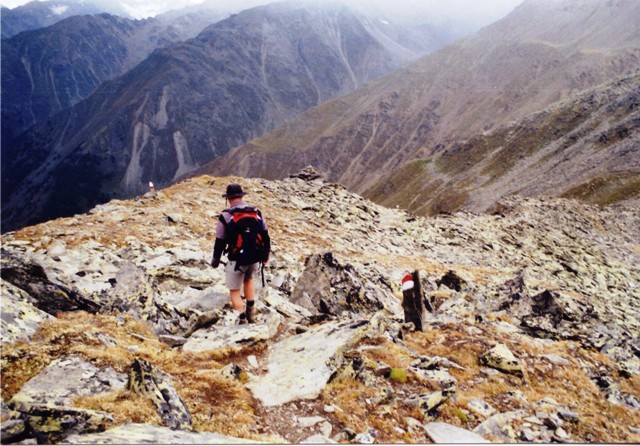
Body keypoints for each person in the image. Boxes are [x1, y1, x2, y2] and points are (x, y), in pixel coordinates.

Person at [211, 183, 270, 324]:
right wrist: (265, 255)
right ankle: (252, 313)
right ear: (242, 196)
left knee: (234, 290)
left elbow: (220, 241)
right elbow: (265, 235)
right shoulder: (256, 212)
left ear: (228, 199)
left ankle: (242, 321)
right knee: (248, 280)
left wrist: (215, 260)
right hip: (255, 257)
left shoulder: (226, 216)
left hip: (236, 260)